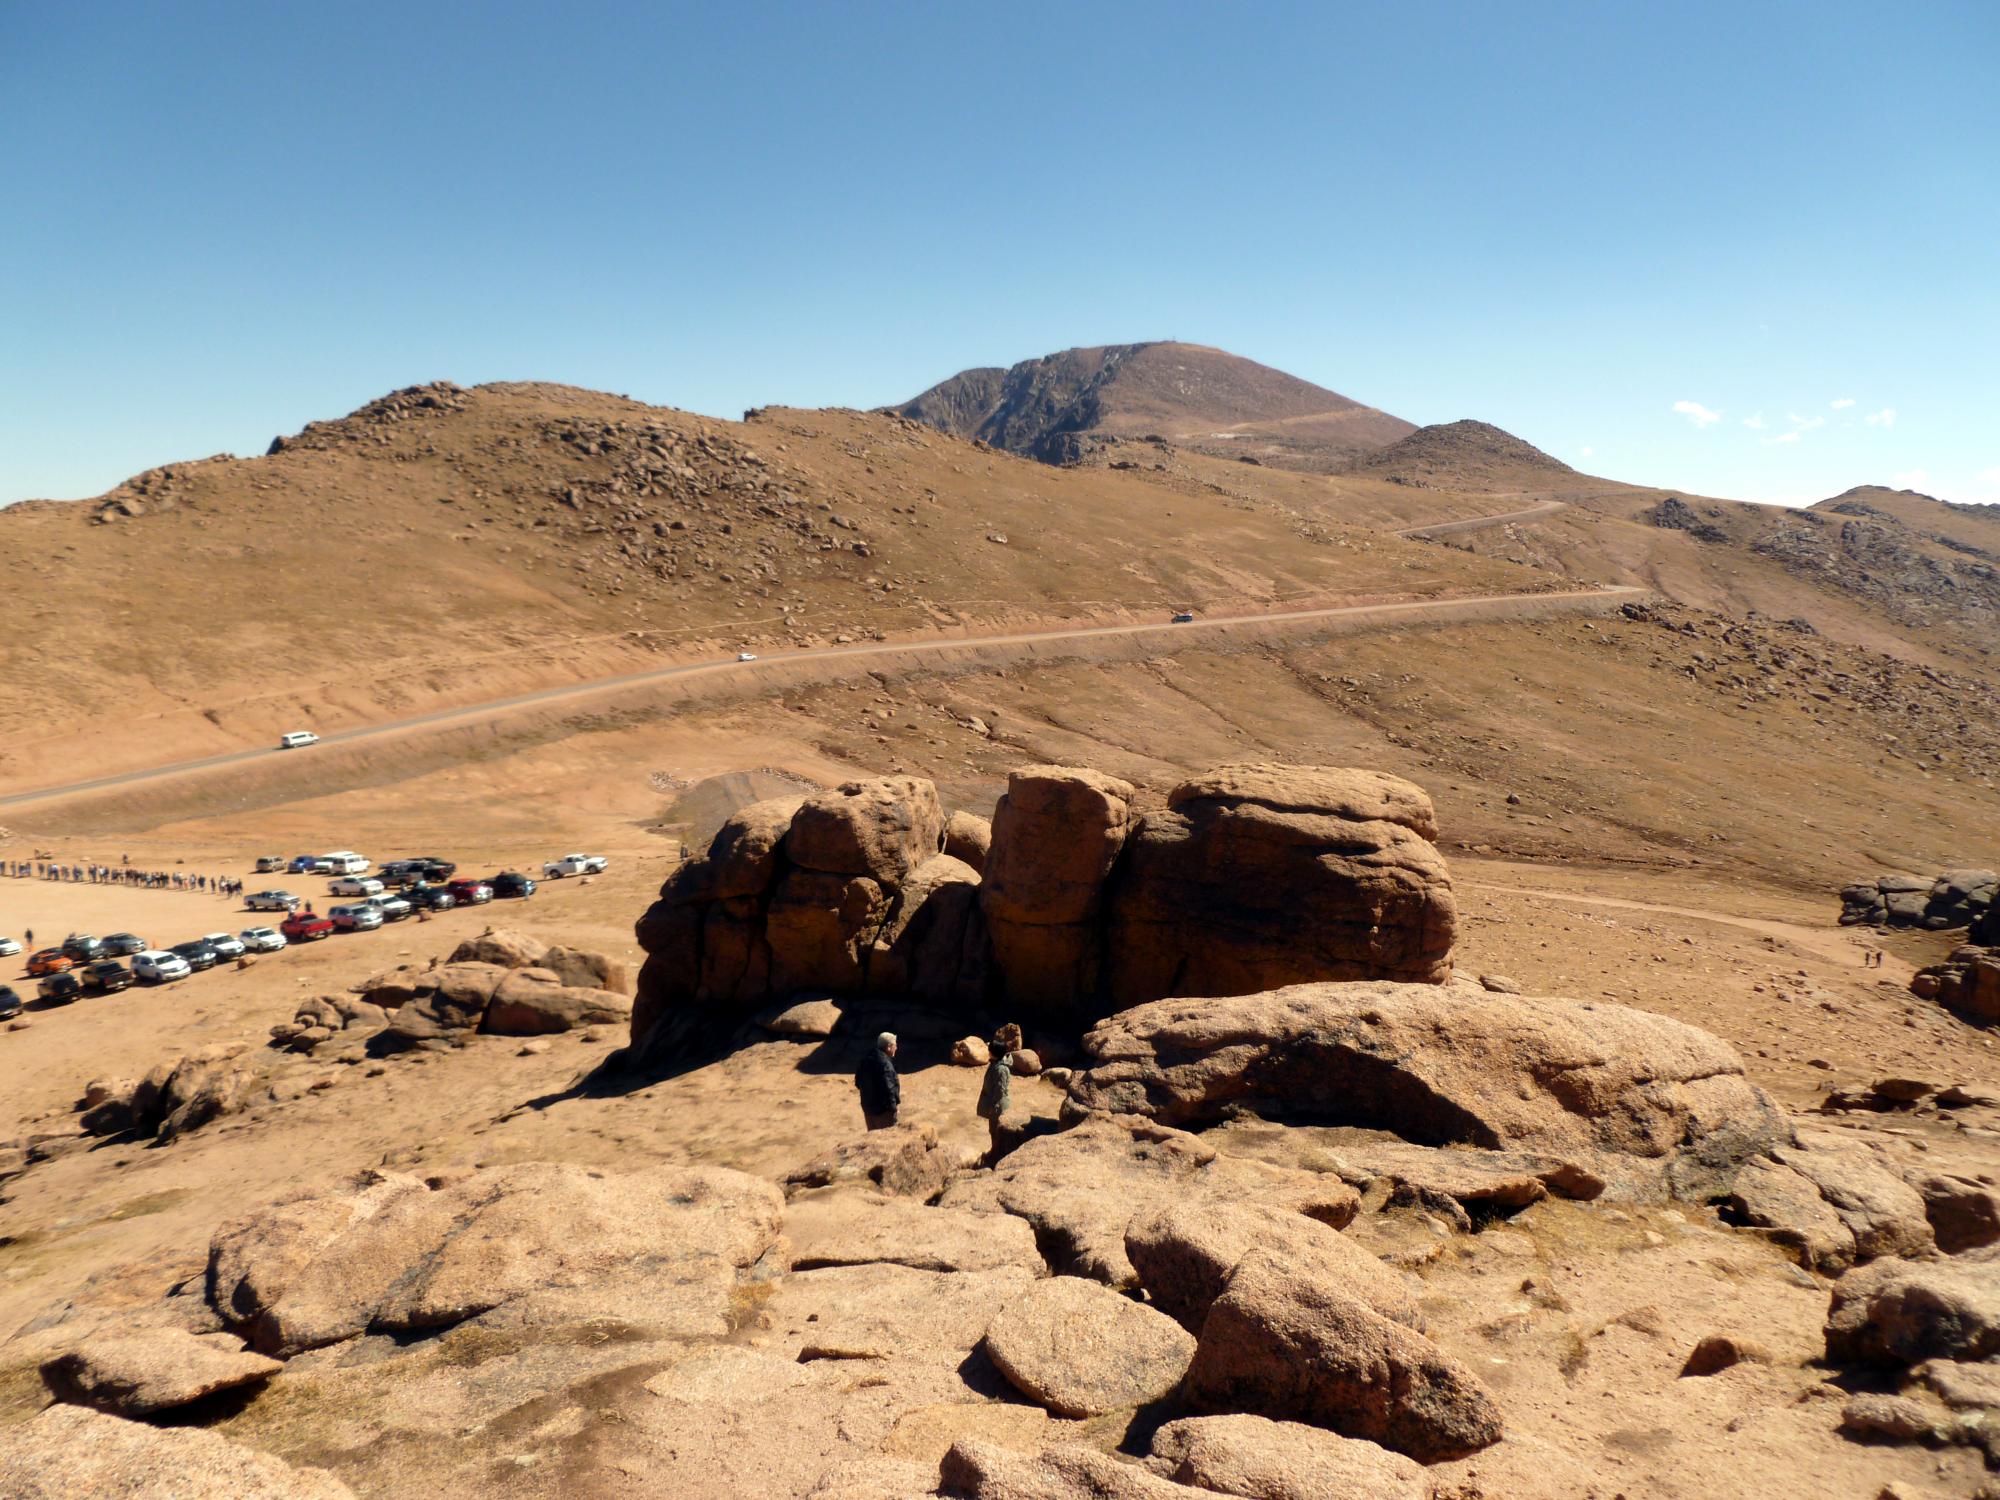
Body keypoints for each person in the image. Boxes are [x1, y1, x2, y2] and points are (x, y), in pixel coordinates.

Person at [856, 1031, 900, 1129]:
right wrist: (894, 1108)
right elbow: (889, 1089)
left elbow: (858, 1082)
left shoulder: (866, 1059)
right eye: (895, 1045)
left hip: (868, 1110)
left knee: (872, 1138)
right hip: (883, 1112)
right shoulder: (885, 1065)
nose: (896, 1048)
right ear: (889, 1047)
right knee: (888, 1140)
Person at [976, 1047, 1013, 1156]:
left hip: (998, 1105)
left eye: (990, 1051)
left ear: (995, 1054)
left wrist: (993, 1107)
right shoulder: (995, 1064)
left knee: (997, 1132)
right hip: (994, 1104)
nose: (988, 1052)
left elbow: (1000, 1091)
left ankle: (997, 1155)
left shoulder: (1000, 1069)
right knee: (993, 1130)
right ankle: (995, 1152)